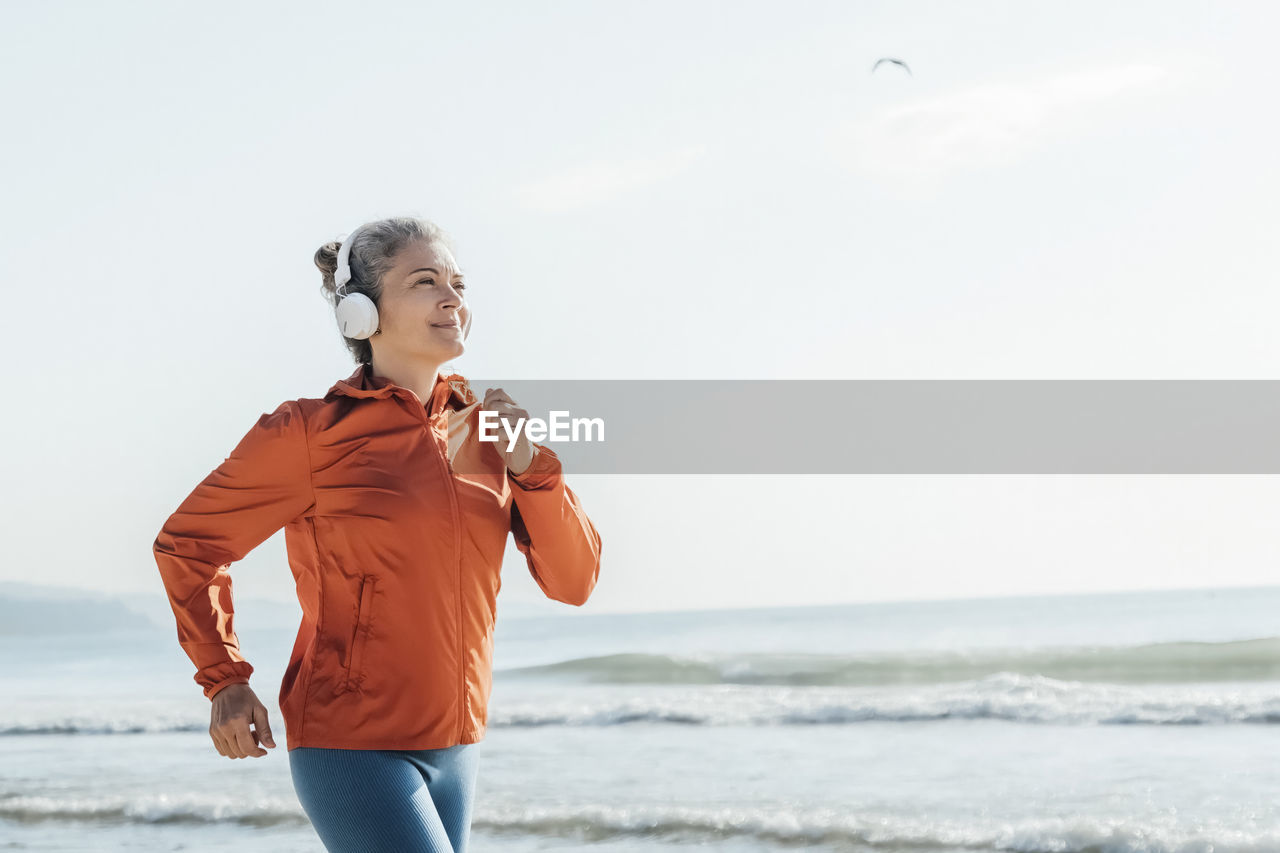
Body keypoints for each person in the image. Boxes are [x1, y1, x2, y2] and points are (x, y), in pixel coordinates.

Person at [152, 215, 603, 853]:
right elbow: (188, 545)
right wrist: (224, 679)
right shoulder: (309, 433)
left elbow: (575, 582)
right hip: (353, 744)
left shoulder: (492, 433)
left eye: (458, 283)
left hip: (459, 747)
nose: (454, 299)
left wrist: (532, 471)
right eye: (425, 282)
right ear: (363, 315)